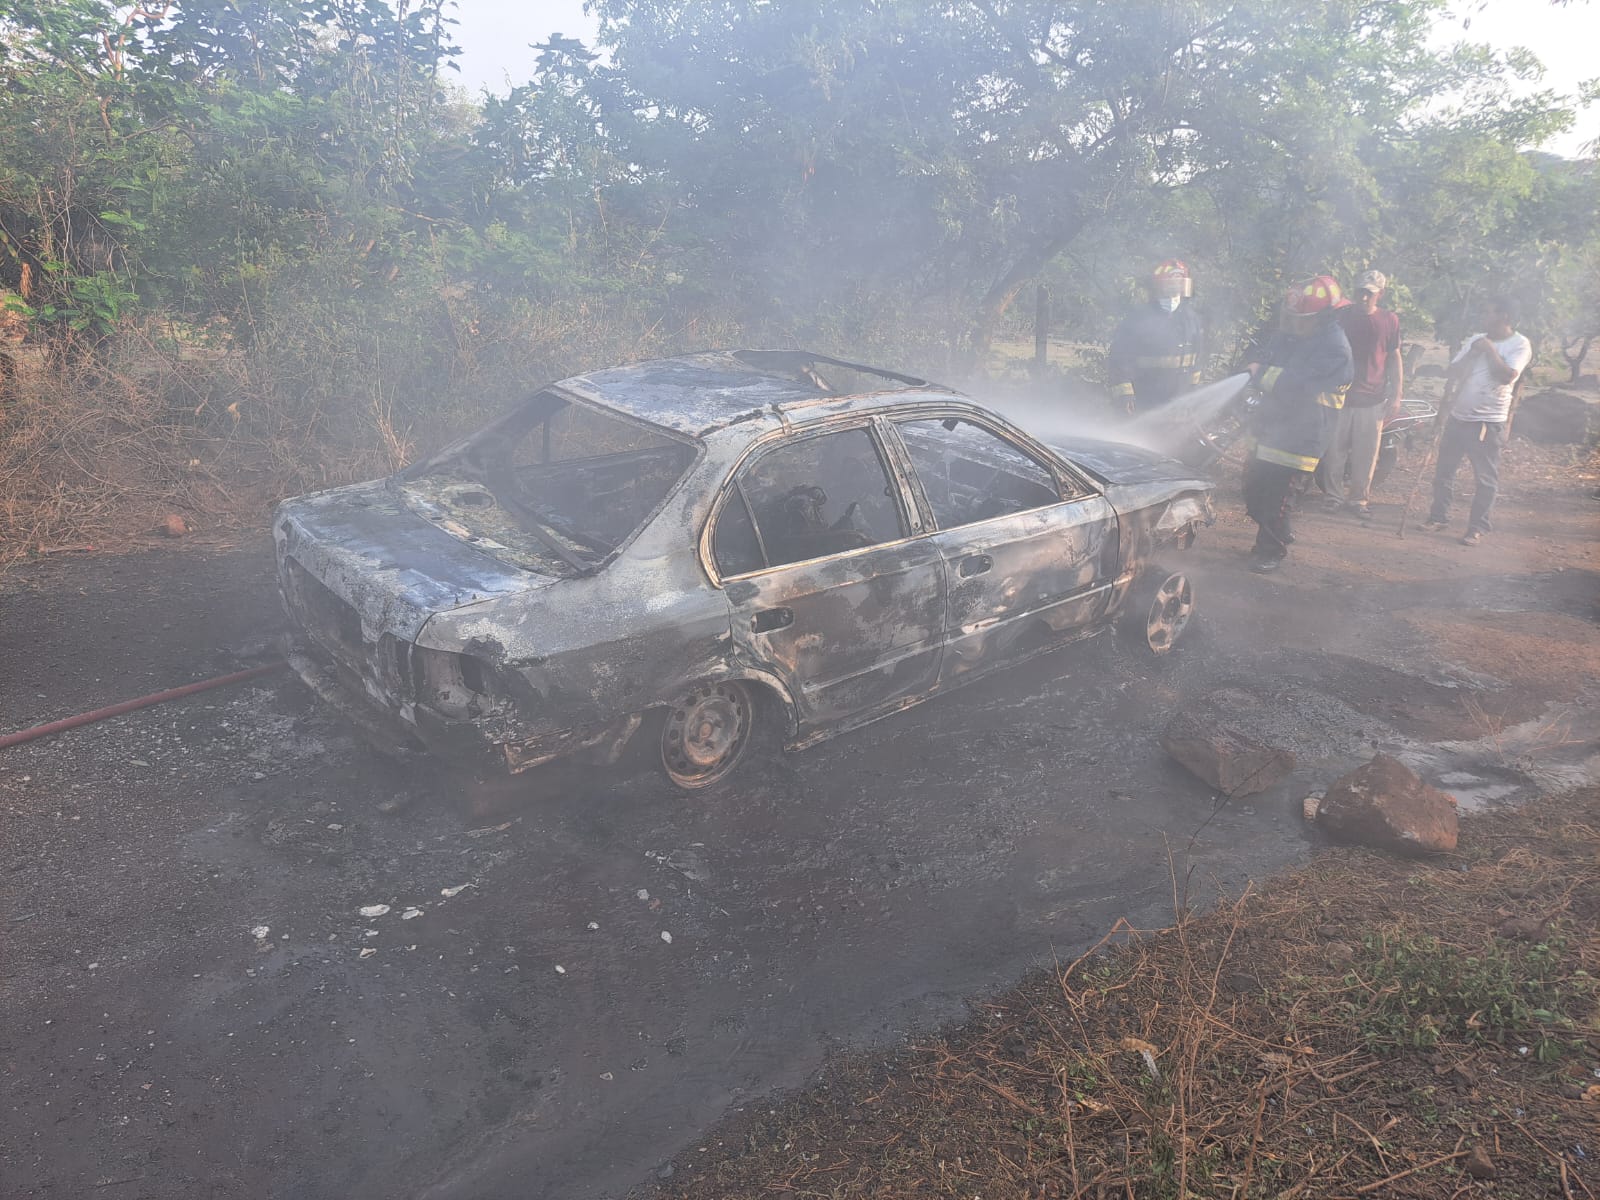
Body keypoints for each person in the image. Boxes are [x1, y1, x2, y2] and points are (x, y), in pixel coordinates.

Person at [1241, 276, 1354, 572]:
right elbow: (1266, 355)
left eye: (1301, 318)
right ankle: (1279, 530)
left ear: (1323, 317)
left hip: (1302, 436)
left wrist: (1261, 373)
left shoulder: (1334, 348)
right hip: (1272, 428)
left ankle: (1270, 551)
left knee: (1277, 498)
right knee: (1254, 493)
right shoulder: (1294, 336)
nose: (1294, 323)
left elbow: (1298, 384)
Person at [1423, 297, 1532, 545]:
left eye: (1488, 311)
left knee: (1484, 478)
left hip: (1488, 421)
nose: (1483, 316)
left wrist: (1490, 351)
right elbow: (1453, 371)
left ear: (1504, 316)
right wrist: (1473, 351)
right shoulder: (1475, 339)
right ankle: (1438, 517)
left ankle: (1477, 527)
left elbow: (1507, 377)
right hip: (1458, 416)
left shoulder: (1520, 344)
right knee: (1444, 473)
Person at [1323, 269, 1402, 519]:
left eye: (1369, 293)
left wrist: (1397, 394)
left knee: (1365, 455)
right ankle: (1333, 497)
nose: (1364, 298)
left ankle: (1358, 500)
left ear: (1381, 294)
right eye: (1360, 292)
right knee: (1334, 451)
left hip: (1372, 399)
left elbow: (1394, 357)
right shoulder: (1341, 317)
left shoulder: (1389, 321)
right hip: (1340, 396)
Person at [1106, 259, 1205, 414]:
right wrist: (1125, 395)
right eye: (1172, 282)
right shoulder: (1139, 318)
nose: (1177, 287)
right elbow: (1119, 359)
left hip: (1180, 403)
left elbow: (1196, 361)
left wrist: (1193, 394)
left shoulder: (1191, 319)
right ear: (1160, 285)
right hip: (1146, 400)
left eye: (1181, 281)